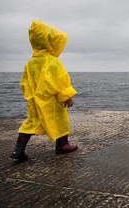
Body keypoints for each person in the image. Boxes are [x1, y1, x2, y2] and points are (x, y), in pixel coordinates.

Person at [10, 20, 78, 161]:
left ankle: (18, 150)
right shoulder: (52, 61)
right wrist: (67, 97)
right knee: (60, 120)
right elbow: (59, 81)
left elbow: (25, 82)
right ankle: (62, 145)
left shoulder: (31, 61)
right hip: (51, 100)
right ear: (50, 42)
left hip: (35, 99)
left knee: (31, 122)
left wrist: (29, 96)